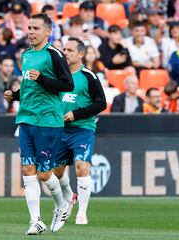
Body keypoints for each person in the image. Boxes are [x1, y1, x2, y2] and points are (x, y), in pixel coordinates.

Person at [4, 13, 74, 235]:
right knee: (27, 169)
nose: (31, 32)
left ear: (48, 31)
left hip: (48, 120)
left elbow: (67, 84)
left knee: (44, 174)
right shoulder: (25, 55)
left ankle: (63, 204)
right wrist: (15, 96)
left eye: (36, 28)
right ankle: (35, 221)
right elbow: (29, 88)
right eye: (30, 28)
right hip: (26, 118)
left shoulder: (53, 54)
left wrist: (42, 78)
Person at [53, 37, 106, 225]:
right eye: (64, 49)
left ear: (81, 54)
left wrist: (76, 114)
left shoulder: (89, 76)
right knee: (55, 172)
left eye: (70, 50)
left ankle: (82, 214)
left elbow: (101, 103)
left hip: (82, 129)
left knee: (82, 166)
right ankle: (70, 196)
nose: (65, 53)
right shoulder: (58, 75)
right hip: (59, 130)